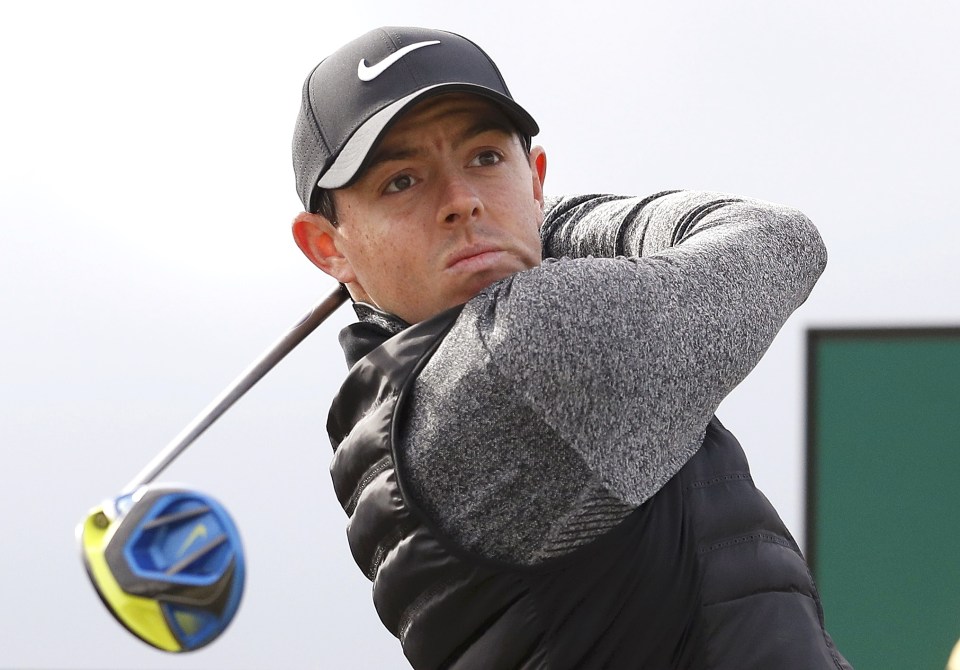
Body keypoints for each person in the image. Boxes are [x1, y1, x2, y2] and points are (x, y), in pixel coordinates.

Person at [290, 26, 852, 670]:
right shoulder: (523, 354)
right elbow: (777, 242)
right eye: (401, 181)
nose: (462, 202)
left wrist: (510, 230)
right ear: (328, 246)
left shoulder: (398, 413)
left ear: (535, 178)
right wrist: (535, 221)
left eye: (484, 159)